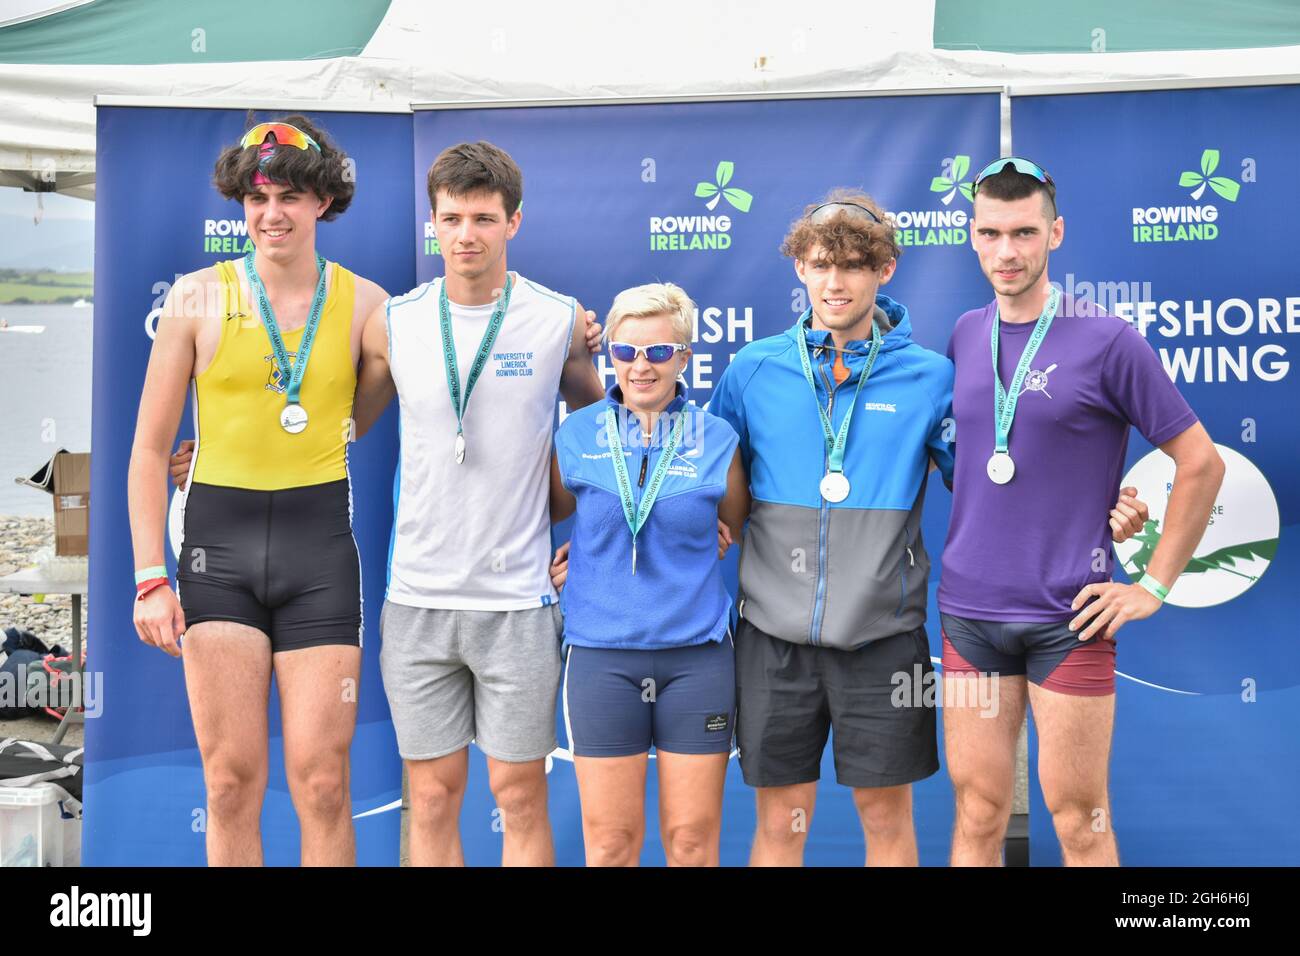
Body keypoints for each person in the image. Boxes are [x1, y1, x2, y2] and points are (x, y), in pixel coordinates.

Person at [939, 157, 1225, 866]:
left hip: (1070, 616)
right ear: (972, 237)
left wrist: (1152, 585)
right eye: (992, 233)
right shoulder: (964, 334)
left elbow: (1202, 463)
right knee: (977, 814)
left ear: (1055, 234)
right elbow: (987, 464)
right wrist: (1095, 497)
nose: (1008, 252)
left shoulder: (1108, 338)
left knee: (1079, 821)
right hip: (969, 615)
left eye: (1025, 233)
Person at [129, 116, 389, 866]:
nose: (271, 214)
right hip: (216, 551)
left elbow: (387, 395)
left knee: (322, 784)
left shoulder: (368, 304)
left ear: (323, 202)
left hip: (320, 558)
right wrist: (151, 579)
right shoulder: (195, 298)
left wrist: (579, 336)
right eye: (257, 196)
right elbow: (148, 451)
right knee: (232, 783)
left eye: (290, 196)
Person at [372, 141, 606, 866]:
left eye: (483, 217)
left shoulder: (559, 320)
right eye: (451, 218)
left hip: (517, 602)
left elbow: (610, 442)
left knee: (518, 794)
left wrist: (586, 548)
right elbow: (330, 422)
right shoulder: (394, 323)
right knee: (433, 797)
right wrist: (203, 457)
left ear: (514, 222)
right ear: (432, 226)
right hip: (417, 598)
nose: (466, 234)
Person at [705, 191, 953, 866]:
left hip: (884, 639)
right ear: (799, 270)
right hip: (771, 639)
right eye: (820, 265)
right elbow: (700, 480)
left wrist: (1097, 502)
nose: (835, 282)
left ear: (886, 270)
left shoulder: (931, 377)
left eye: (853, 266)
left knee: (887, 822)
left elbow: (991, 487)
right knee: (781, 825)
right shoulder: (752, 369)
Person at [548, 283, 750, 866]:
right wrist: (561, 560)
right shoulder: (578, 433)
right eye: (626, 351)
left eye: (659, 352)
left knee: (690, 842)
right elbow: (546, 516)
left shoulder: (716, 438)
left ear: (684, 357)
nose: (641, 366)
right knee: (611, 844)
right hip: (601, 656)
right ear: (609, 352)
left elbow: (736, 524)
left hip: (696, 658)